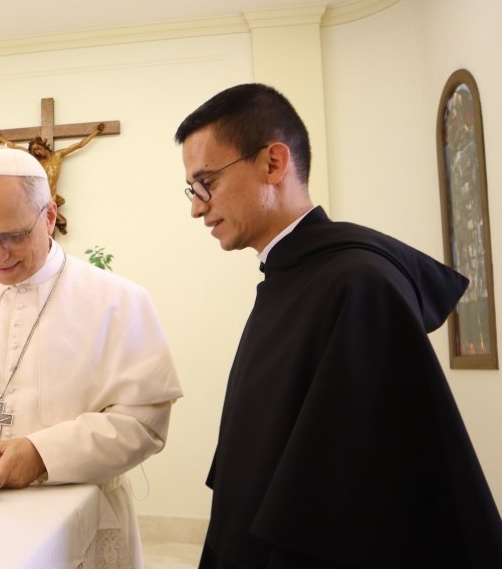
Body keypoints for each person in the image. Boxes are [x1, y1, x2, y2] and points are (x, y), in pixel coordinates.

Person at [175, 83, 502, 568]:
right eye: (192, 189)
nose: (197, 206)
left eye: (207, 183)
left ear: (273, 163)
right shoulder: (290, 274)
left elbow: (347, 503)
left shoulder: (359, 286)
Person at [0, 147, 182, 569]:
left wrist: (42, 455)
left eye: (13, 236)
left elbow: (144, 421)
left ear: (48, 217)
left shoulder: (118, 302)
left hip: (76, 520)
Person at [0, 122, 105, 235]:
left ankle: (57, 222)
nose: (36, 151)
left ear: (43, 146)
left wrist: (95, 132)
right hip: (39, 193)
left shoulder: (58, 156)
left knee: (49, 217)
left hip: (53, 194)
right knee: (42, 218)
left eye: (37, 148)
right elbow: (14, 147)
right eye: (34, 150)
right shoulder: (35, 160)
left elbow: (79, 145)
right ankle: (56, 222)